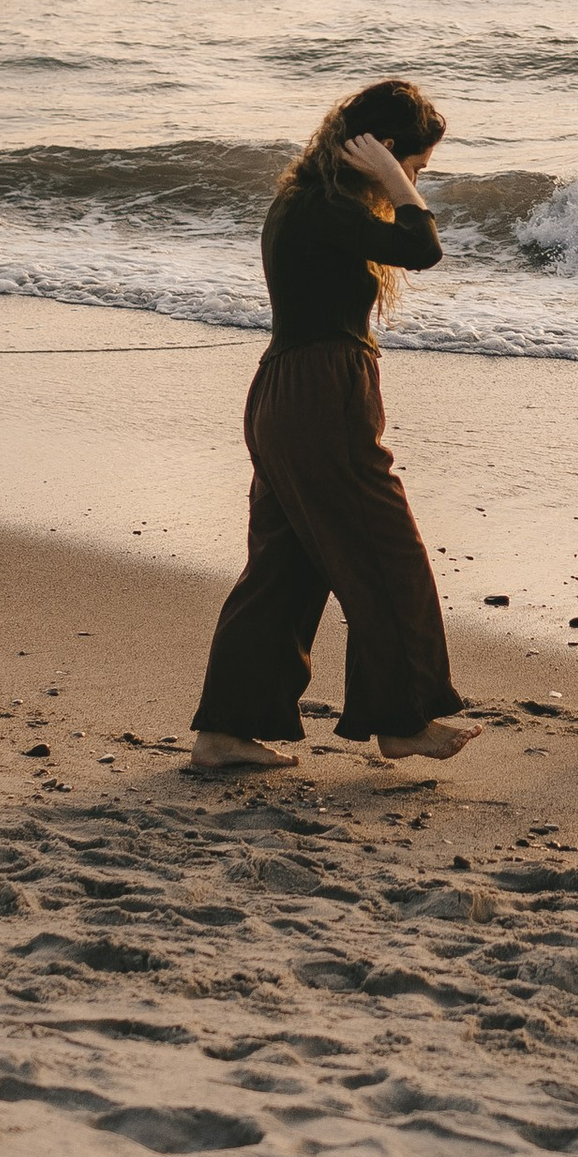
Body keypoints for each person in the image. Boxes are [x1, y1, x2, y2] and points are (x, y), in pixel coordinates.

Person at [188, 79, 476, 775]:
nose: (414, 178)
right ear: (379, 149)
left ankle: (224, 731)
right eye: (415, 163)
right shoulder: (324, 207)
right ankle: (402, 722)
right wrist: (392, 179)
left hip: (288, 395)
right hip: (320, 397)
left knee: (283, 571)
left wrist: (385, 172)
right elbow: (422, 246)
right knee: (389, 555)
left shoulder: (305, 200)